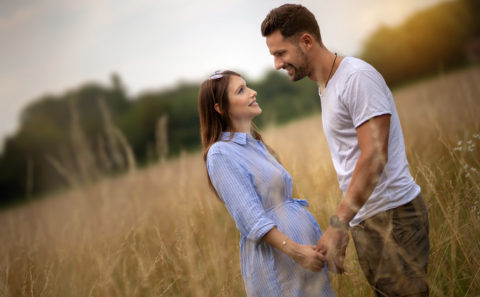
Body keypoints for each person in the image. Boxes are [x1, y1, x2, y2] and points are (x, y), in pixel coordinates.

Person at [261, 4, 430, 297]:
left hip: (394, 219)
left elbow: (374, 156)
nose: (277, 64)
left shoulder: (356, 78)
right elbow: (353, 163)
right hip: (371, 221)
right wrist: (351, 222)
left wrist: (338, 225)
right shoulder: (328, 86)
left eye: (280, 53)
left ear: (306, 41)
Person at [198, 70, 336, 297]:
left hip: (300, 262)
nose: (253, 92)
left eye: (247, 86)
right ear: (220, 108)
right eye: (241, 90)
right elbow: (252, 220)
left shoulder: (255, 144)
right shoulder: (220, 154)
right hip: (279, 263)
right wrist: (298, 252)